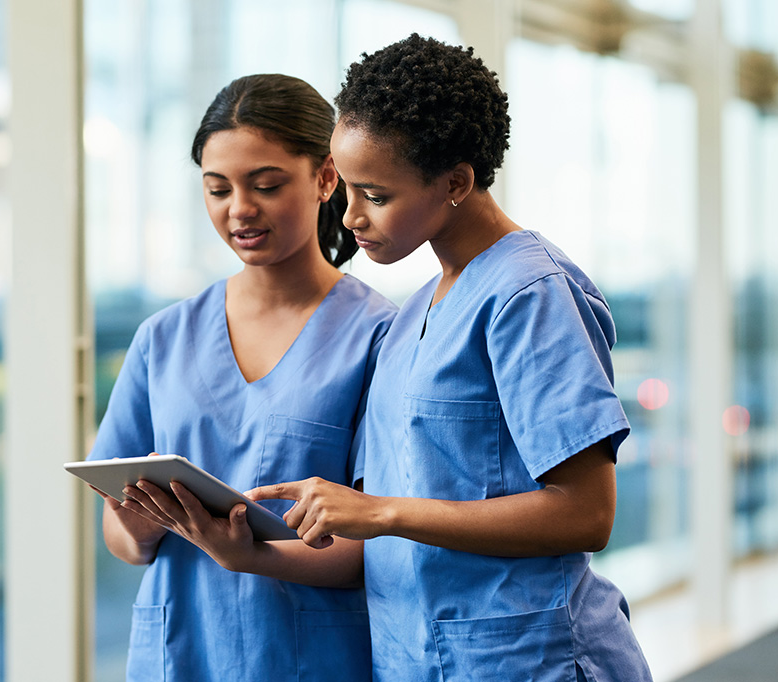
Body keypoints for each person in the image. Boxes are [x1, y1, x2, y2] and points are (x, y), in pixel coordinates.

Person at [248, 35, 654, 681]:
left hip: (527, 661)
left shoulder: (529, 294)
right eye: (345, 188)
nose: (350, 216)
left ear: (457, 181)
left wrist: (380, 512)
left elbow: (587, 512)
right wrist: (246, 542)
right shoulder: (414, 314)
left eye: (376, 195)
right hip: (420, 659)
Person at [86, 73, 397, 682]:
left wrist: (250, 557)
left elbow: (383, 543)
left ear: (326, 178)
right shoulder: (163, 337)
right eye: (217, 189)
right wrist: (139, 521)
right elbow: (121, 542)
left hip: (309, 657)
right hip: (179, 652)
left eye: (266, 184)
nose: (239, 210)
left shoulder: (378, 336)